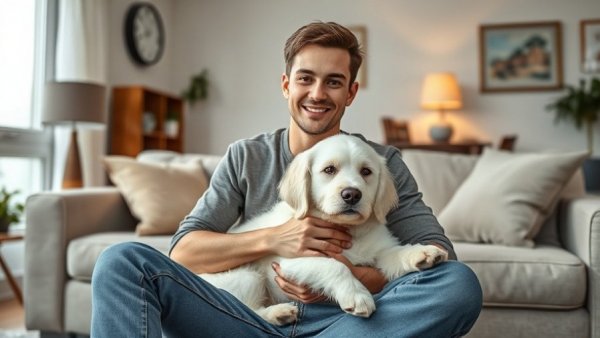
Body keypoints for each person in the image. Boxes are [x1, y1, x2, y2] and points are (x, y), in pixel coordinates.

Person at [91, 21, 482, 338]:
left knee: (458, 285)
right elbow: (184, 253)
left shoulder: (381, 162)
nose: (317, 93)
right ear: (286, 85)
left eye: (333, 81)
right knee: (121, 260)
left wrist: (353, 276)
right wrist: (275, 238)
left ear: (351, 92)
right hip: (246, 317)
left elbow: (436, 252)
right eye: (306, 78)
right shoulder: (246, 156)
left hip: (348, 323)